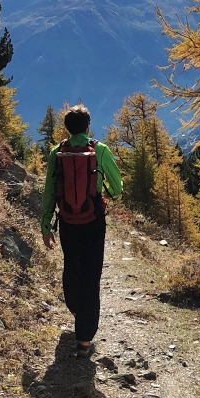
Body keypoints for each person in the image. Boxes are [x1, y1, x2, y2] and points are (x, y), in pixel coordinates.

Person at [41, 104, 123, 357]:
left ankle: (75, 307)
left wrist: (46, 225)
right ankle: (84, 339)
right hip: (93, 220)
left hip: (66, 219)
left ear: (66, 128)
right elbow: (117, 187)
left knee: (71, 264)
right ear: (88, 127)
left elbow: (49, 192)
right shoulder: (99, 149)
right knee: (92, 273)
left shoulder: (57, 152)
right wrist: (103, 194)